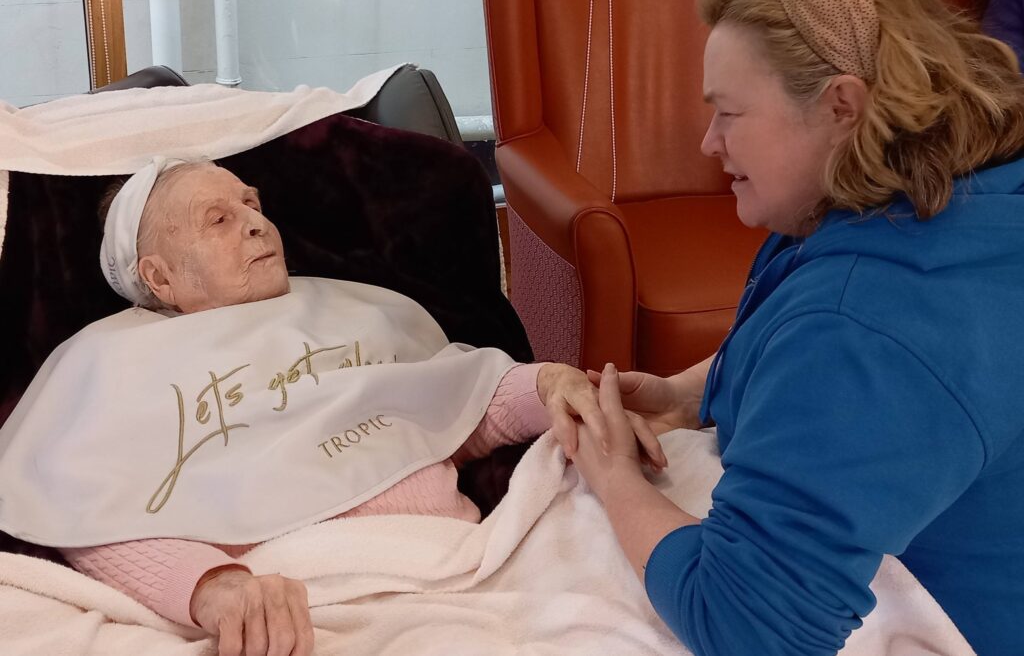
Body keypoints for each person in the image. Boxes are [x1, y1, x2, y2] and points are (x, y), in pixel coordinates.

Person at [3, 159, 666, 656]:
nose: (257, 222)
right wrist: (214, 588)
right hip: (305, 602)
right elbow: (85, 514)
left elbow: (460, 410)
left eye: (250, 202)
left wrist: (553, 386)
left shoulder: (349, 307)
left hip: (473, 560)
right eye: (220, 219)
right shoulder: (107, 363)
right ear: (159, 276)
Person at [567, 0, 1024, 656]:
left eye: (729, 113)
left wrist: (614, 476)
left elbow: (748, 625)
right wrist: (694, 391)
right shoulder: (933, 192)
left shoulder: (870, 325)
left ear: (842, 105)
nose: (709, 141)